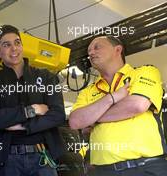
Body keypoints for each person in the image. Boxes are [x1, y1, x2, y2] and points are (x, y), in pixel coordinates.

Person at [69, 35, 167, 176]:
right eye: (89, 51)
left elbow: (137, 105)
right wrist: (111, 98)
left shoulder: (144, 72)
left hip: (146, 166)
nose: (90, 53)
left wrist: (93, 117)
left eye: (97, 47)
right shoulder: (87, 91)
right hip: (103, 171)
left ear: (117, 49)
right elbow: (75, 121)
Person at [0, 25, 66, 176]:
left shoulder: (46, 77)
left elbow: (58, 114)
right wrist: (31, 110)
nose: (13, 48)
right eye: (6, 45)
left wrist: (24, 126)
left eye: (17, 42)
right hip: (8, 161)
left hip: (43, 157)